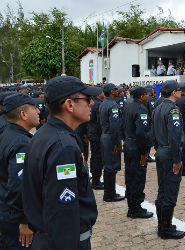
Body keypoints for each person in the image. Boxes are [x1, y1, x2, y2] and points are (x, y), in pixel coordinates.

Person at [22, 76, 99, 250]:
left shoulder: (44, 134)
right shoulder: (63, 147)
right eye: (87, 99)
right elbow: (63, 212)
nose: (92, 104)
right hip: (64, 241)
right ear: (70, 104)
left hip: (47, 237)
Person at [0, 93, 42, 249]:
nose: (38, 111)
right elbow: (19, 186)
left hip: (7, 213)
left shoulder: (8, 133)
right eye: (34, 108)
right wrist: (24, 221)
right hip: (15, 220)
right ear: (23, 114)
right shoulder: (21, 143)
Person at [152, 80, 185, 239]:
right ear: (173, 92)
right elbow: (175, 136)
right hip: (170, 153)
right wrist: (177, 159)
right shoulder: (173, 110)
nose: (181, 92)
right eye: (179, 90)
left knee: (162, 189)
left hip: (161, 151)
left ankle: (163, 225)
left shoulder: (157, 107)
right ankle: (165, 229)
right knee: (170, 192)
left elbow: (154, 133)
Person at [123, 86, 154, 219]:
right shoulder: (141, 108)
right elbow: (142, 133)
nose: (148, 96)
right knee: (138, 178)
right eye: (146, 94)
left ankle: (132, 206)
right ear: (141, 96)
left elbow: (122, 126)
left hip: (129, 144)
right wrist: (144, 151)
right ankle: (135, 209)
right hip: (136, 146)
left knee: (130, 177)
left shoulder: (128, 106)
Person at [99, 83, 125, 202]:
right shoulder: (112, 105)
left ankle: (109, 192)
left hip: (105, 135)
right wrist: (117, 142)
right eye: (115, 89)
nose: (117, 90)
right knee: (111, 167)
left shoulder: (104, 103)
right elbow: (115, 126)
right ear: (110, 91)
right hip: (111, 137)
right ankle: (110, 194)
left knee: (108, 165)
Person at [88, 88, 105, 190]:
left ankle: (95, 180)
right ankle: (96, 182)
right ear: (99, 94)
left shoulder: (93, 103)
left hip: (92, 132)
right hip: (97, 134)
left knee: (95, 157)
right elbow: (100, 122)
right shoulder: (98, 104)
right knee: (98, 158)